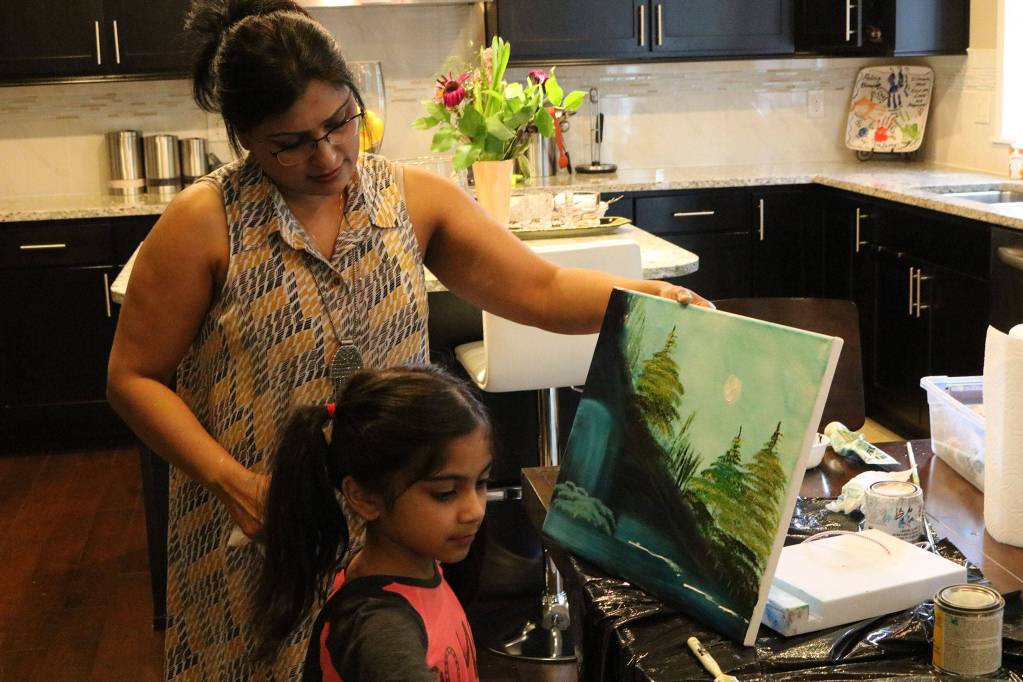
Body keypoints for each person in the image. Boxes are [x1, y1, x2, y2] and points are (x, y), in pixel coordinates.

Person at [106, 0, 712, 677]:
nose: (330, 153)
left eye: (341, 122)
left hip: (390, 532)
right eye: (293, 142)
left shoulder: (412, 200)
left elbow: (540, 291)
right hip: (261, 530)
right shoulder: (205, 222)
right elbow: (132, 378)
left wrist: (646, 300)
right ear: (246, 138)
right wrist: (235, 484)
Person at [255, 364, 490, 681]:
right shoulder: (381, 628)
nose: (474, 510)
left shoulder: (421, 568)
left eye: (481, 483)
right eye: (446, 493)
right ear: (364, 497)